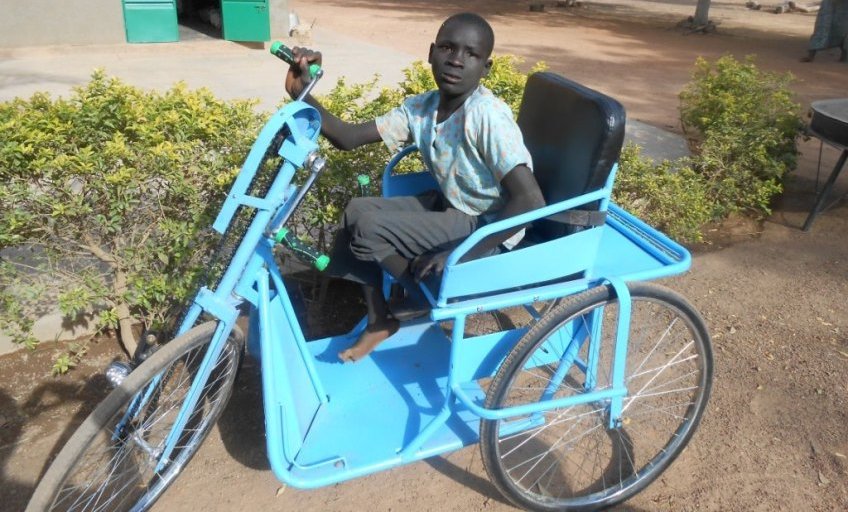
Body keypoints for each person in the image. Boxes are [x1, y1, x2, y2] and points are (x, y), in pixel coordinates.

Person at [284, 13, 545, 362]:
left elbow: (530, 200)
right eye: (448, 48)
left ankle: (421, 297)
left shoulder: (487, 116)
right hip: (451, 207)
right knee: (357, 211)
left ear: (486, 68)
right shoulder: (421, 108)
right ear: (431, 53)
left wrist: (461, 252)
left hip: (486, 224)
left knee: (370, 227)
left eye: (471, 54)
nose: (456, 60)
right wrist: (301, 93)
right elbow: (348, 137)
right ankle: (380, 318)